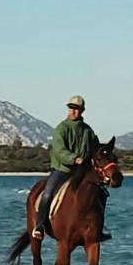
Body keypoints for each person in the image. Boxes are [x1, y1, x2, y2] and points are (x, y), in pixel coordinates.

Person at [32, 95, 108, 240]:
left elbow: (95, 147)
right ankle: (40, 225)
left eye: (77, 109)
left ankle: (98, 228)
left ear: (82, 111)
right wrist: (74, 159)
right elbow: (59, 150)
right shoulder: (61, 129)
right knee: (47, 193)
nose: (73, 112)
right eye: (71, 108)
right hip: (62, 170)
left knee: (101, 194)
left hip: (82, 172)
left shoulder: (88, 131)